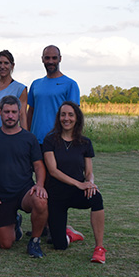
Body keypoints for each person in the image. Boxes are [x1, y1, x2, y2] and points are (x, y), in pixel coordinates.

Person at [0, 95, 49, 258]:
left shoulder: (29, 138)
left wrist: (39, 185)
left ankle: (34, 241)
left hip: (24, 191)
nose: (10, 116)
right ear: (0, 112)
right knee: (5, 244)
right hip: (1, 195)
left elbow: (39, 165)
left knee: (40, 201)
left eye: (13, 112)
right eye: (6, 112)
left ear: (19, 113)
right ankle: (15, 223)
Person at [43, 101, 106, 263]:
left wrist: (90, 182)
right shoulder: (50, 141)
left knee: (97, 198)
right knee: (59, 246)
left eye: (71, 114)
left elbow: (89, 172)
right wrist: (79, 184)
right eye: (63, 115)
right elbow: (53, 171)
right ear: (59, 118)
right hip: (56, 194)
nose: (67, 118)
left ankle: (99, 248)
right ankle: (70, 234)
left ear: (77, 118)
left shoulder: (85, 143)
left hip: (77, 193)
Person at [27, 45, 80, 146]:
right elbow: (30, 112)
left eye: (54, 58)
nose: (50, 61)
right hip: (36, 142)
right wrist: (28, 136)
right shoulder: (35, 84)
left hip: (59, 142)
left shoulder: (70, 84)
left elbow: (74, 116)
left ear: (60, 59)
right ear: (42, 59)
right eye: (47, 58)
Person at [0, 50, 28, 133]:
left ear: (12, 66)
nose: (2, 66)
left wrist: (25, 138)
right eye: (0, 63)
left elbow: (22, 116)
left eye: (6, 63)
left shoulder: (20, 89)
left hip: (11, 136)